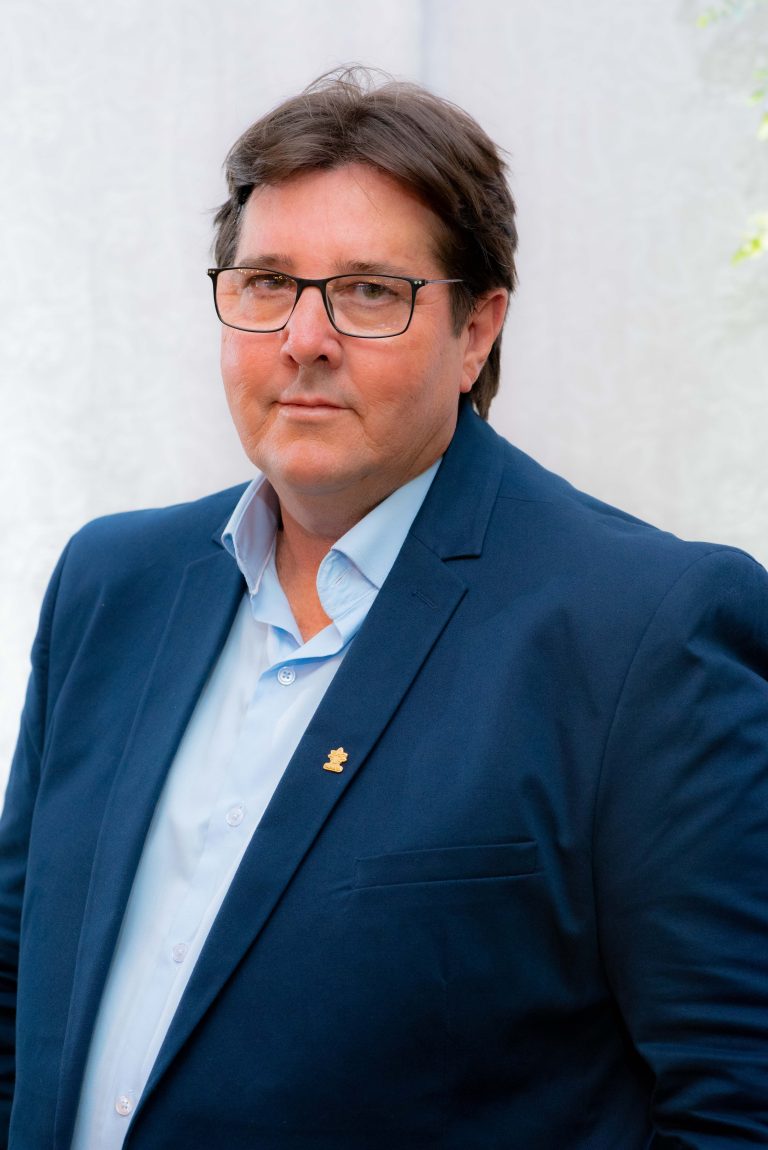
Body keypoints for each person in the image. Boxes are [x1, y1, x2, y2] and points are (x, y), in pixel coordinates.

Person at [1, 67, 767, 1150]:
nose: (304, 337)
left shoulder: (644, 631)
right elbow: (18, 980)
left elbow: (737, 1098)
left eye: (369, 291)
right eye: (268, 282)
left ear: (477, 330)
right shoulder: (110, 585)